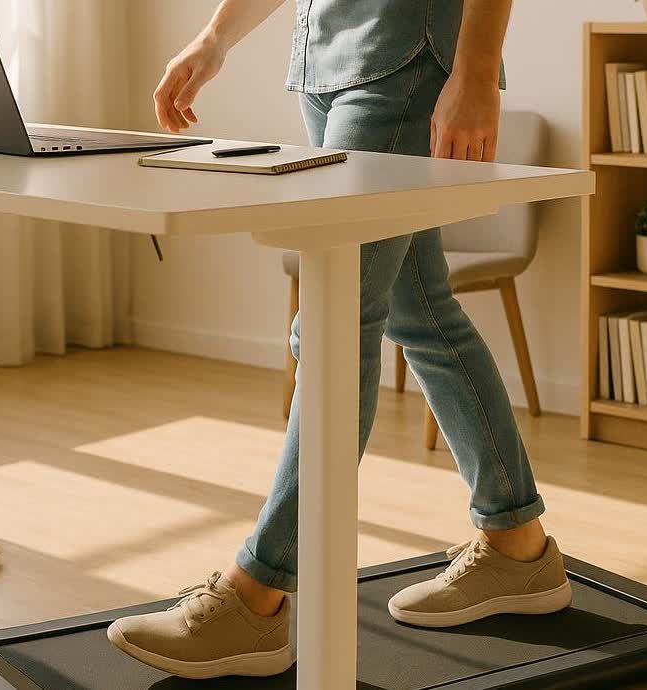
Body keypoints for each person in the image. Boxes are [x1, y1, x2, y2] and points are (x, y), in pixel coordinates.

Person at [107, 0, 569, 679]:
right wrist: (215, 38)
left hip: (405, 61)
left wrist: (472, 69)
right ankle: (516, 543)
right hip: (326, 64)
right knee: (422, 310)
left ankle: (256, 596)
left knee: (335, 313)